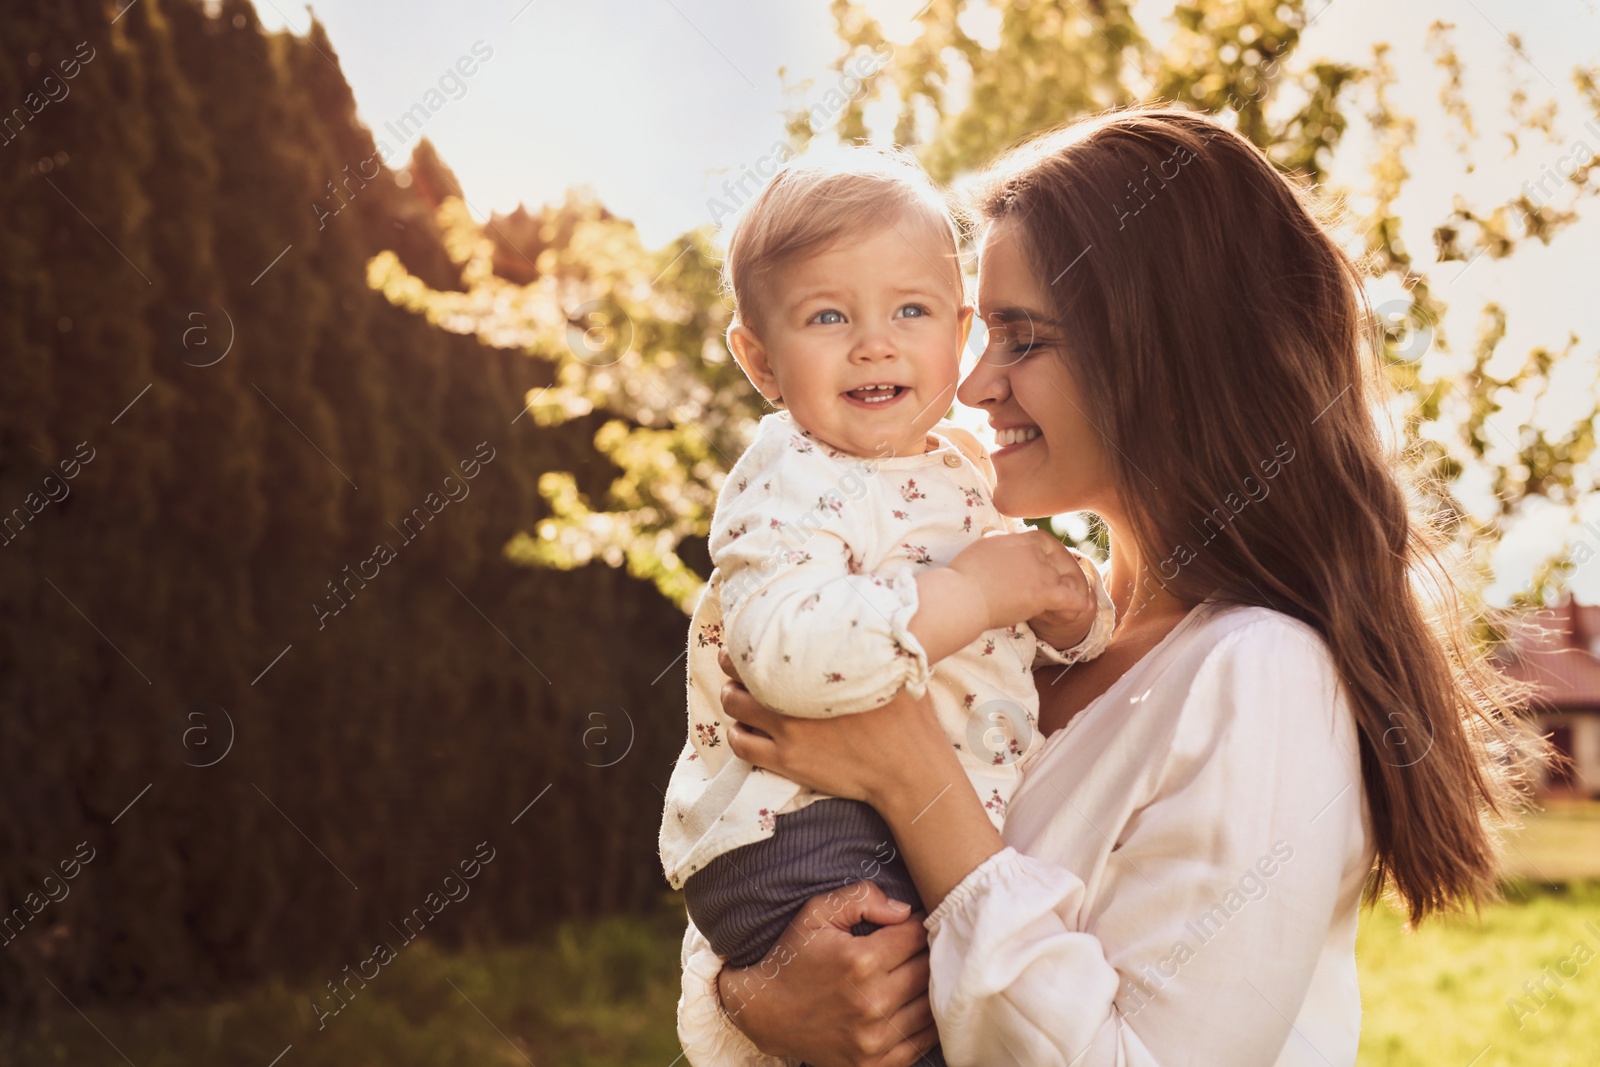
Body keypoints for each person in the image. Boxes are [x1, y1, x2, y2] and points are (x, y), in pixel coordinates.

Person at [675, 109, 1539, 1067]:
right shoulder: (1021, 621)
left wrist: (915, 779)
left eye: (1021, 338)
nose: (972, 386)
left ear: (1160, 354)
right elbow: (774, 852)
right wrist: (750, 1000)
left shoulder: (1260, 675)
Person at [659, 147, 1117, 1067]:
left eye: (910, 310)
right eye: (827, 315)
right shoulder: (791, 478)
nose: (874, 342)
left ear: (958, 333)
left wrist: (1076, 613)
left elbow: (1028, 625)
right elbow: (791, 655)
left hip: (889, 816)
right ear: (759, 359)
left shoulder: (958, 474)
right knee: (913, 1019)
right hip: (803, 824)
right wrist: (977, 590)